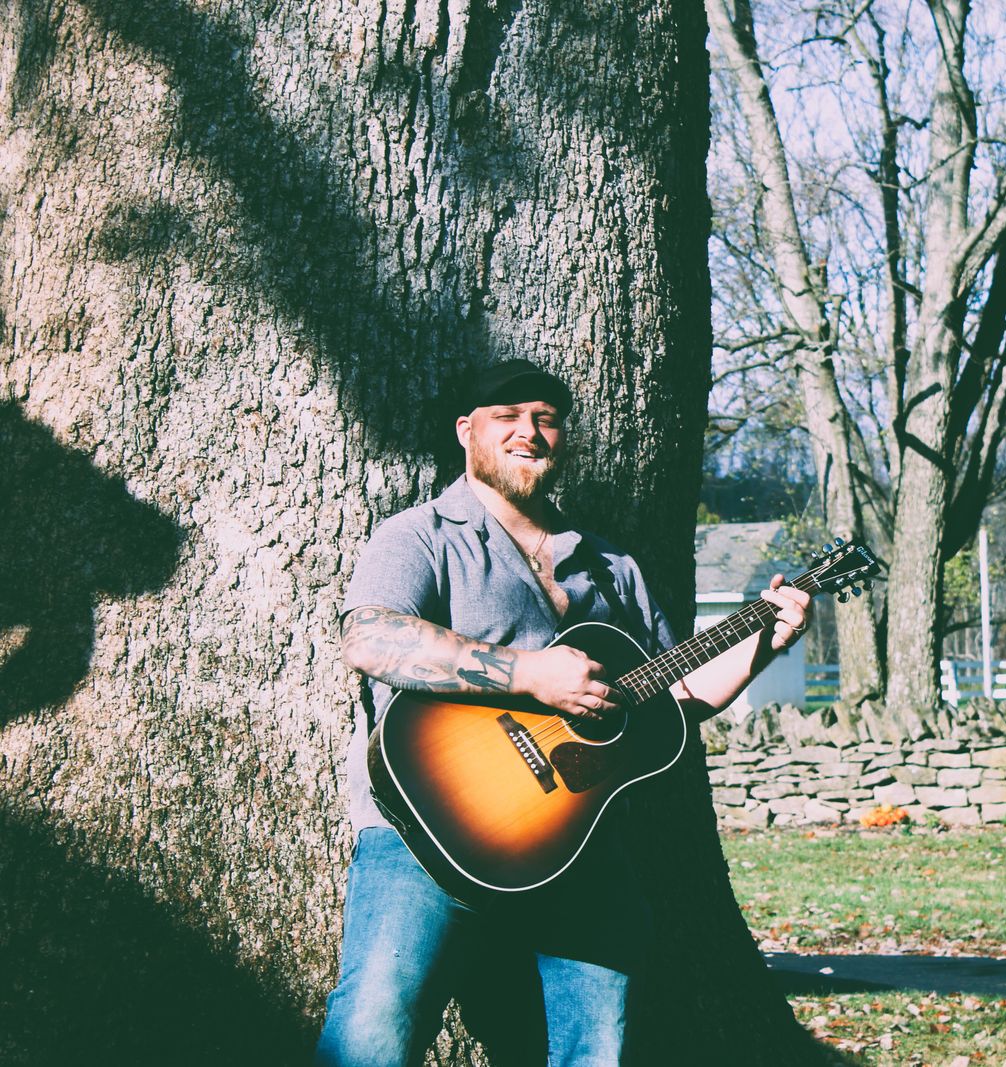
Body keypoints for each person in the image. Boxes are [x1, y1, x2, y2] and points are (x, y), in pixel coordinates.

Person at [314, 360, 812, 1067]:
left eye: (546, 419)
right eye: (507, 416)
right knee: (375, 1027)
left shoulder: (610, 565)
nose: (529, 431)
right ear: (466, 431)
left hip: (575, 842)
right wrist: (530, 674)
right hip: (426, 830)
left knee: (598, 1045)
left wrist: (765, 641)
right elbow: (369, 638)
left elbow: (674, 697)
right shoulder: (421, 534)